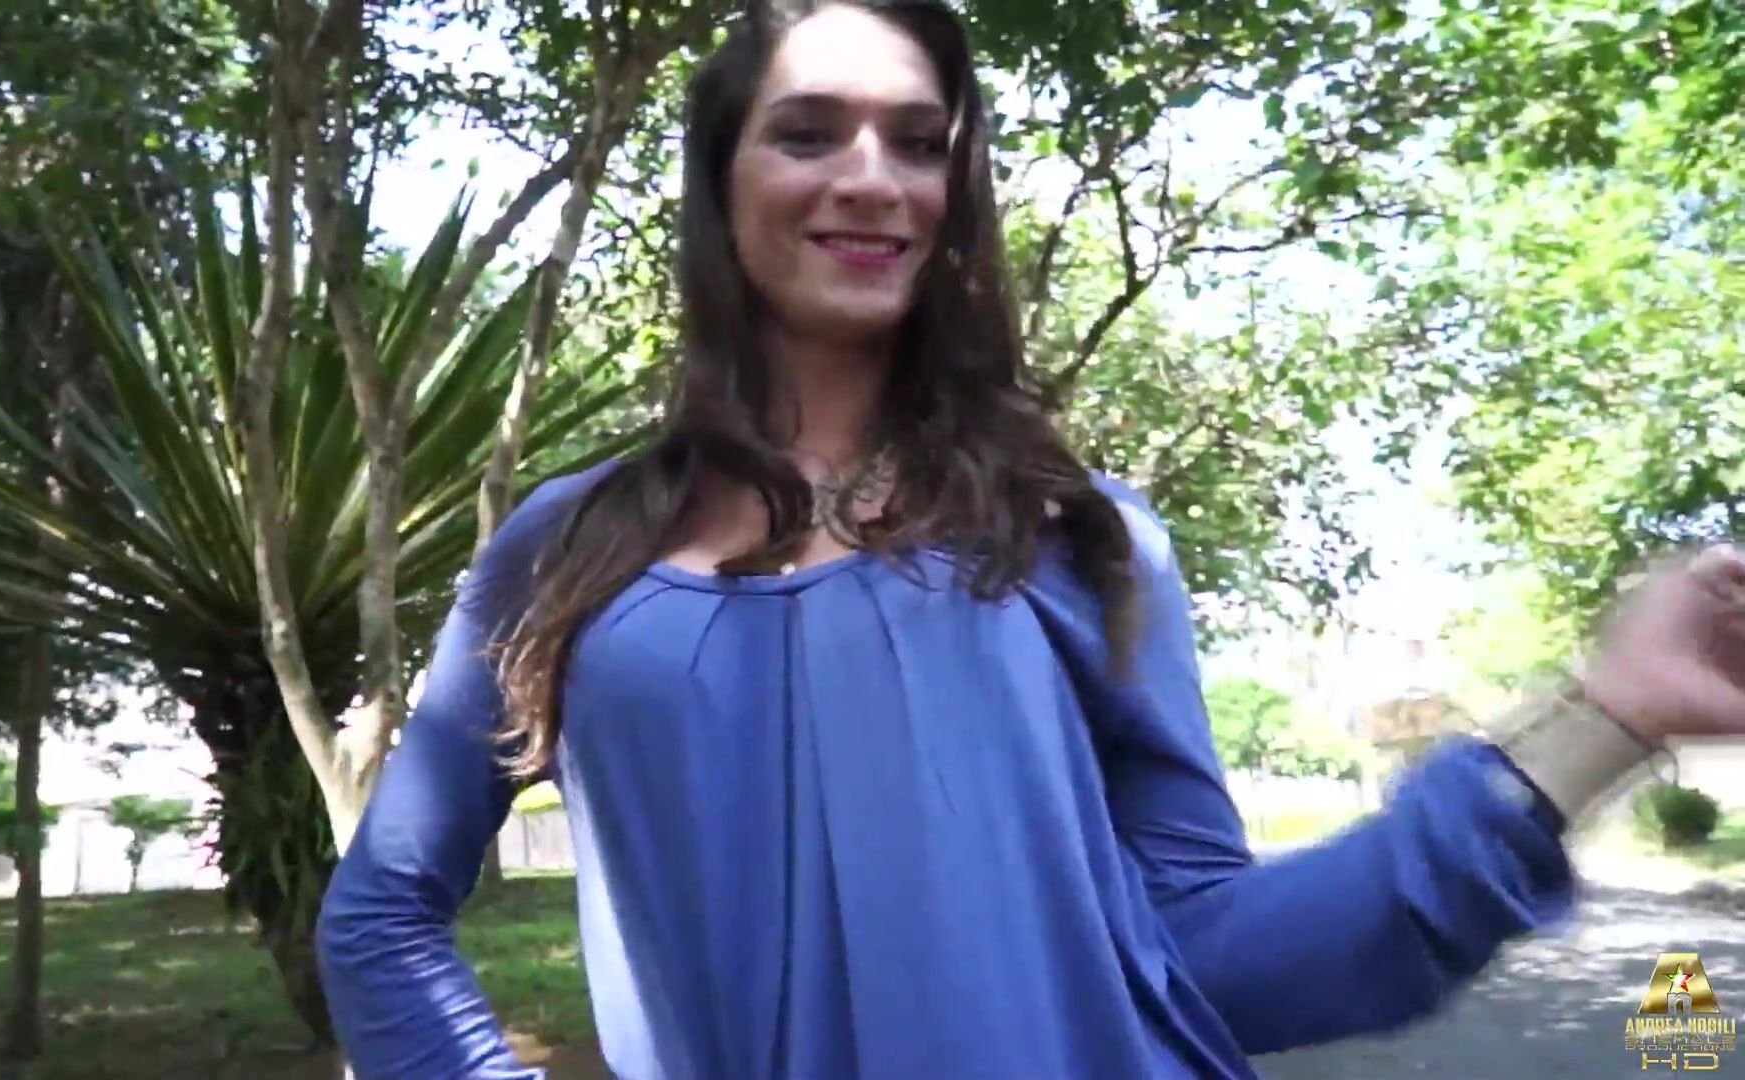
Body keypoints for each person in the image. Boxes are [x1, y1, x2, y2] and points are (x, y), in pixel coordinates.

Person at [316, 2, 1745, 1077]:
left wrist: (1605, 716)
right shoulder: (568, 548)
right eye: (808, 132)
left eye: (917, 143)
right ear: (721, 181)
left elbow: (1214, 957)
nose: (870, 176)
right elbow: (382, 914)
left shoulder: (1077, 537)